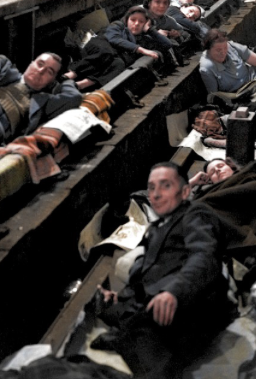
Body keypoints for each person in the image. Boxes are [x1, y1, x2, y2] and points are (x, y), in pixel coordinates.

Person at [94, 162, 232, 379]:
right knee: (116, 310)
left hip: (195, 293)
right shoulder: (160, 227)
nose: (157, 194)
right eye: (153, 188)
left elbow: (204, 258)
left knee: (149, 335)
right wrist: (122, 295)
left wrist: (173, 292)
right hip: (165, 294)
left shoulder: (196, 215)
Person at [0, 53, 81, 147]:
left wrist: (65, 80)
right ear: (31, 63)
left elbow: (73, 97)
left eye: (49, 72)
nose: (41, 71)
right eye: (40, 64)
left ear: (51, 81)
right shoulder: (4, 65)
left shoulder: (44, 101)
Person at [199, 28, 256, 105]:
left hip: (254, 79)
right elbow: (214, 95)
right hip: (238, 95)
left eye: (225, 48)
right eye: (218, 50)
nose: (223, 52)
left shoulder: (231, 46)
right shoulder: (207, 67)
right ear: (209, 50)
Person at [104, 5, 174, 67]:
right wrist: (141, 50)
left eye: (141, 21)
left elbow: (168, 44)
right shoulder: (117, 26)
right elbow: (114, 38)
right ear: (127, 20)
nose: (136, 23)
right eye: (133, 20)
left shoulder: (144, 37)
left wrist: (150, 30)